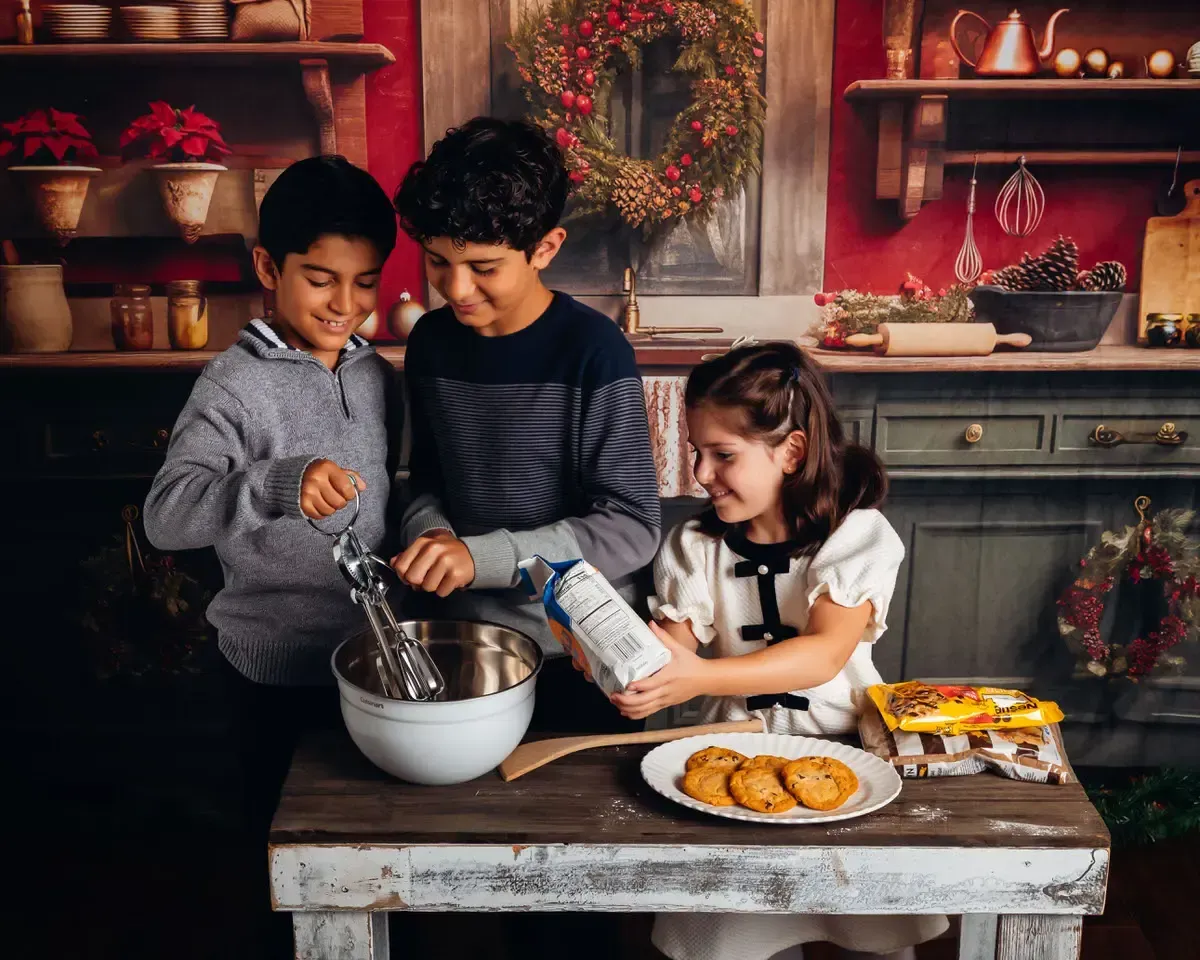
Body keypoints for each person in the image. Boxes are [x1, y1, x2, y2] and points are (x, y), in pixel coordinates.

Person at [611, 341, 947, 960]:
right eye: (697, 452)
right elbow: (670, 655)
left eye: (723, 455)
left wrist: (697, 678)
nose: (701, 474)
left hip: (847, 760)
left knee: (873, 935)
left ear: (791, 451)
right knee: (734, 937)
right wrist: (627, 666)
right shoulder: (694, 545)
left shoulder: (858, 535)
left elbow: (821, 654)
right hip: (732, 764)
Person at [142, 155, 400, 956]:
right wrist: (279, 483)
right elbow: (166, 515)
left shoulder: (375, 371)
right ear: (267, 267)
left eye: (365, 284)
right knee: (290, 871)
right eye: (322, 279)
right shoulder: (232, 387)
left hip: (370, 662)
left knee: (378, 853)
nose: (346, 305)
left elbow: (404, 483)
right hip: (271, 672)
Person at [390, 116, 662, 732]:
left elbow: (631, 525)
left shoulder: (594, 350)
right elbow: (425, 479)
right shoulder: (431, 343)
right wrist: (433, 536)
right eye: (436, 261)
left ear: (545, 248)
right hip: (455, 645)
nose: (455, 289)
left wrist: (481, 556)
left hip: (574, 656)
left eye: (484, 268)